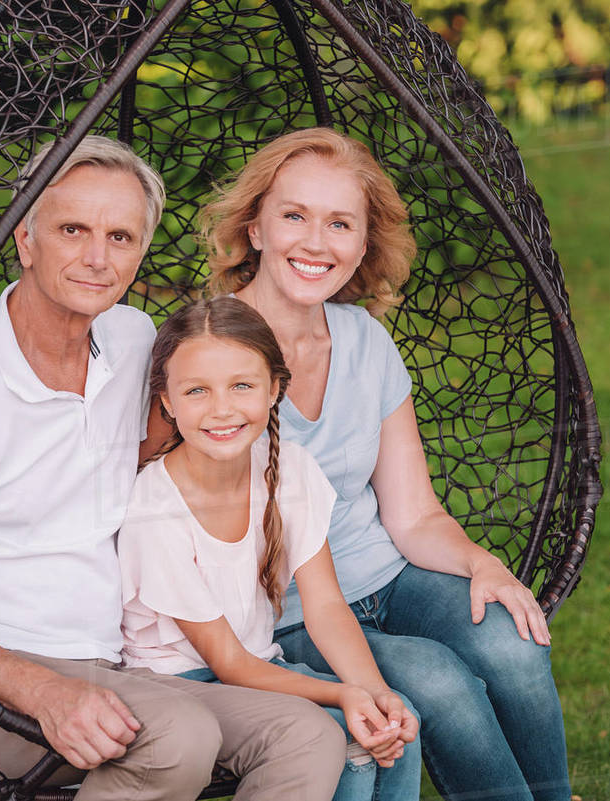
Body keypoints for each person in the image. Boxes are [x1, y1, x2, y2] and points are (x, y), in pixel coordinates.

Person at [0, 135, 346, 801]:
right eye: (73, 229)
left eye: (121, 237)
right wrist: (46, 692)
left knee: (309, 736)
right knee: (178, 736)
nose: (98, 257)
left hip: (111, 665)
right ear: (26, 239)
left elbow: (176, 443)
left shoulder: (129, 339)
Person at [196, 127, 573, 801]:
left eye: (340, 223)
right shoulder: (208, 356)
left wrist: (478, 562)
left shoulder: (366, 342)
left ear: (364, 243)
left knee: (514, 643)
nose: (316, 243)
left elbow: (413, 513)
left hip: (390, 576)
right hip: (289, 613)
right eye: (294, 216)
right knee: (436, 681)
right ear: (255, 228)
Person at [118, 296, 421, 801]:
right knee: (345, 744)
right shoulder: (155, 509)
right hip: (178, 685)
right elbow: (228, 664)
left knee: (392, 722)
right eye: (197, 391)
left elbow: (325, 608)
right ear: (167, 403)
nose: (222, 409)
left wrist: (375, 693)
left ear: (275, 388)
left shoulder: (291, 469)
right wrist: (345, 695)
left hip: (258, 664)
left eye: (242, 385)